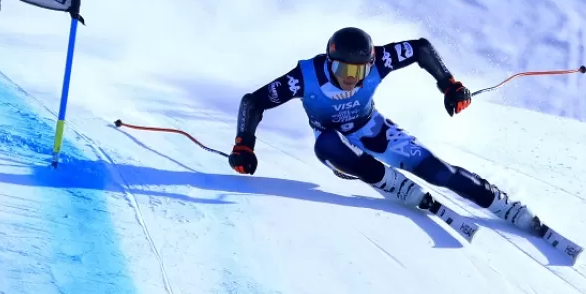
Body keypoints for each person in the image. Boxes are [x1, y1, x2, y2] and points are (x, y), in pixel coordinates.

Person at [227, 26, 539, 232]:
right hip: (335, 147)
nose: (350, 77)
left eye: (358, 71)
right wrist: (244, 144)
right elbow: (254, 102)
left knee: (438, 172)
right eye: (342, 69)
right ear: (329, 62)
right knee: (328, 142)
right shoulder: (304, 77)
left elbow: (420, 48)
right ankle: (383, 178)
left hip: (375, 130)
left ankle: (500, 202)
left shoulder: (380, 61)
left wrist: (449, 84)